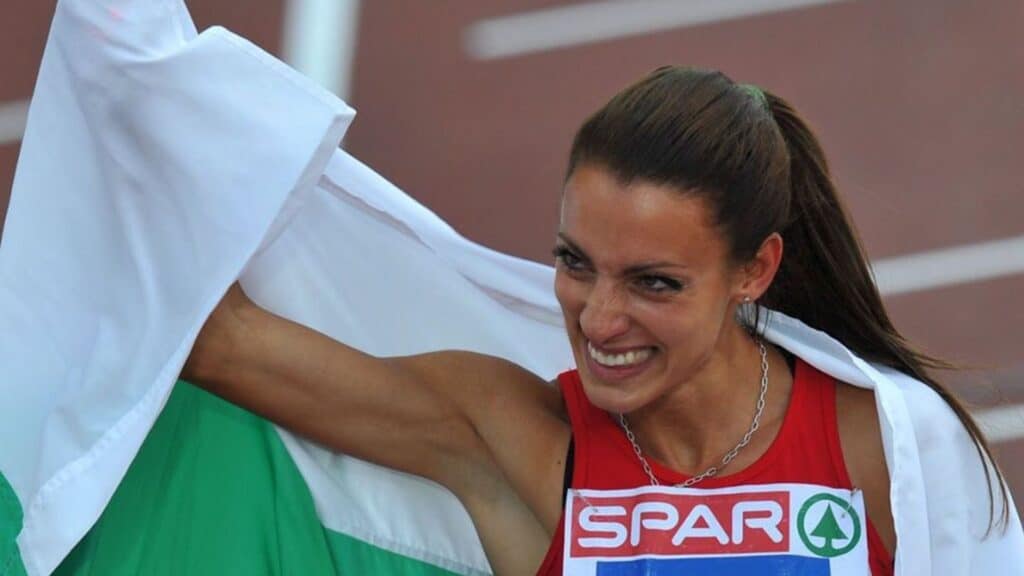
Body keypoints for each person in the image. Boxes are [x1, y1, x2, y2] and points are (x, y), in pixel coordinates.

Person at [183, 67, 1013, 575]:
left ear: (754, 270)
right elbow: (218, 344)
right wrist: (128, 79)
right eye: (576, 263)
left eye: (653, 283)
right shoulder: (517, 436)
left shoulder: (887, 445)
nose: (601, 318)